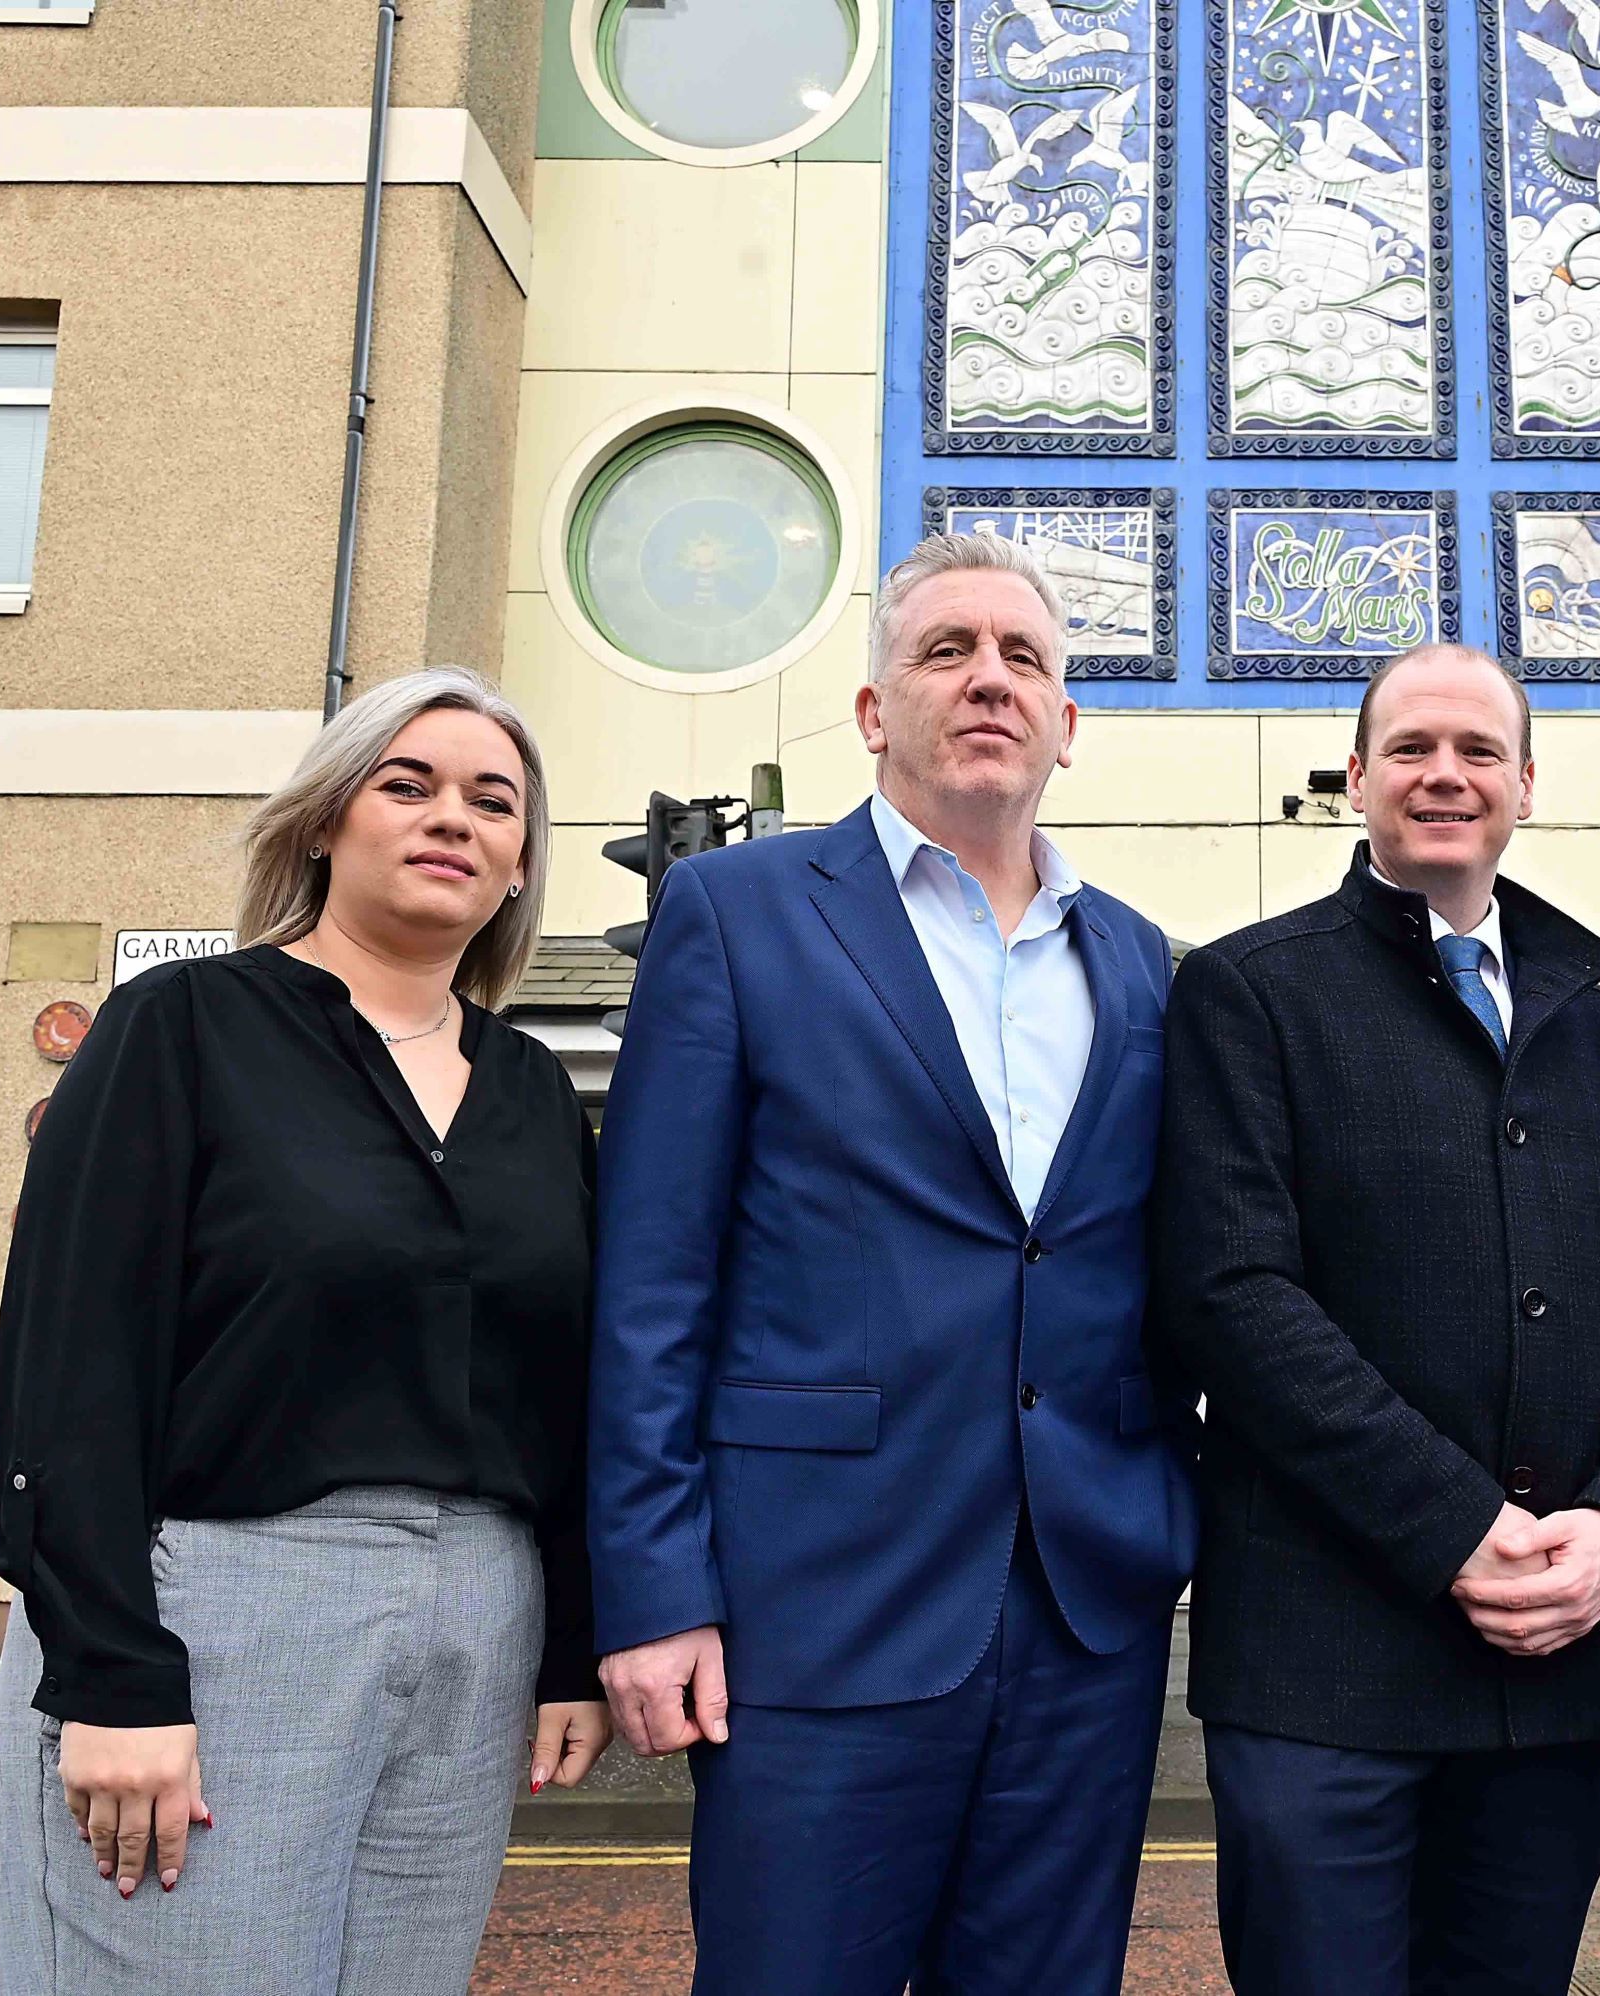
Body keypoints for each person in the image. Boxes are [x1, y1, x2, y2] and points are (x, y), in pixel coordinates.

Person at [586, 532, 1192, 1996]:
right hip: (817, 1601)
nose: (989, 680)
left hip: (1080, 1611)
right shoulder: (734, 915)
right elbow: (653, 1283)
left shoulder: (1146, 966)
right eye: (945, 651)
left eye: (1024, 660)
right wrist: (655, 1587)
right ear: (873, 713)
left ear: (1066, 724)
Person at [0, 667, 611, 1995]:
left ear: (517, 870)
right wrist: (110, 1670)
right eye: (410, 783)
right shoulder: (186, 1025)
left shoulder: (535, 1096)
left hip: (479, 1618)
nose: (456, 817)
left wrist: (568, 1649)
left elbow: (565, 1392)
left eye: (495, 803)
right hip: (222, 1598)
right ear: (325, 821)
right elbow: (70, 1359)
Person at [1156, 642, 1600, 1996]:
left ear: (1524, 783)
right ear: (1356, 779)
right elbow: (1233, 1295)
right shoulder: (1249, 993)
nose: (1442, 774)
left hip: (1547, 1665)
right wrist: (1458, 1527)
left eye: (1475, 751)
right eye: (1409, 749)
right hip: (1319, 1666)